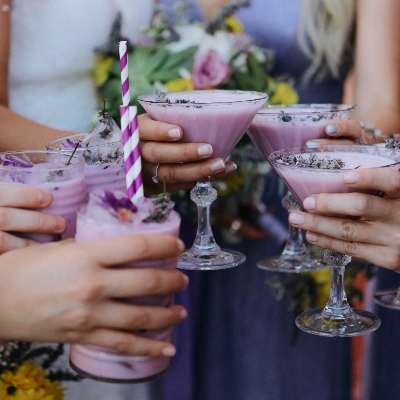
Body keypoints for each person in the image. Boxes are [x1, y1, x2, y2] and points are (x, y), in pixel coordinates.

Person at [136, 1, 400, 400]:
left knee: (280, 373)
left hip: (297, 212)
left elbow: (382, 103)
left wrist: (351, 152)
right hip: (186, 214)